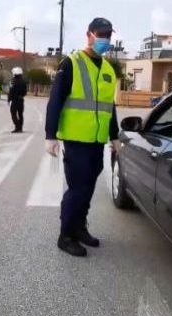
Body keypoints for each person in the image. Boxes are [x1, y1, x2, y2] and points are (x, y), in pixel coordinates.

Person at [45, 17, 120, 257]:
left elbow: (110, 107)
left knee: (88, 188)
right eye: (100, 35)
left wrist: (114, 136)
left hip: (97, 141)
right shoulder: (71, 63)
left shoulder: (108, 69)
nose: (104, 40)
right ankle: (65, 235)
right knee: (77, 188)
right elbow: (55, 100)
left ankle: (79, 227)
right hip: (76, 139)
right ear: (89, 35)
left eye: (108, 35)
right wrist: (50, 135)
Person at [8, 67, 27, 133]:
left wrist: (9, 99)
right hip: (21, 100)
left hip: (14, 100)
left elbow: (11, 91)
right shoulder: (24, 81)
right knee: (20, 114)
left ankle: (17, 126)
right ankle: (20, 128)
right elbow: (25, 92)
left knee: (13, 113)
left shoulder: (13, 81)